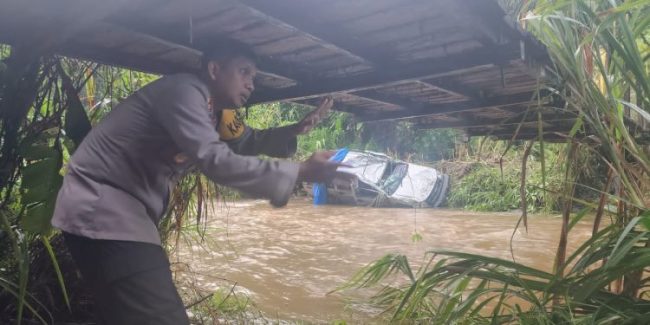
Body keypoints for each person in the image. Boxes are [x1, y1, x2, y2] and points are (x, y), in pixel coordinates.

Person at [51, 39, 345, 325]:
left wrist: (296, 129)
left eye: (253, 77)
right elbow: (216, 160)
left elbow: (248, 140)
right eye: (244, 72)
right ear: (214, 69)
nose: (251, 84)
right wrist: (301, 171)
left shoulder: (217, 113)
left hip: (117, 214)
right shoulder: (185, 91)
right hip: (103, 209)